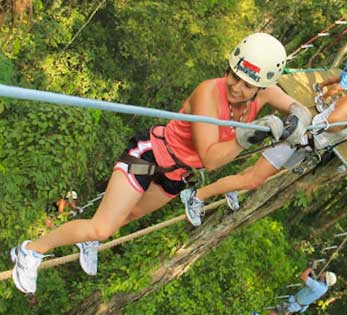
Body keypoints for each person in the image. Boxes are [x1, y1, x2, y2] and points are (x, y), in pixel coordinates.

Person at [10, 33, 312, 294]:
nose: (236, 87)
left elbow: (292, 104)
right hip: (150, 156)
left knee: (129, 216)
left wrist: (299, 115)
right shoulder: (209, 92)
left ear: (261, 87)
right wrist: (246, 137)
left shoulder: (264, 93)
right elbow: (210, 157)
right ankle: (30, 250)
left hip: (176, 174)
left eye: (247, 85)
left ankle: (85, 242)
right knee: (102, 228)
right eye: (234, 75)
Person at [180, 70, 347, 220]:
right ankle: (196, 195)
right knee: (254, 180)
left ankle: (232, 190)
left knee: (256, 175)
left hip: (306, 148)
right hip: (297, 138)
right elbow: (332, 124)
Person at [268, 268, 337, 314]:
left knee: (276, 311)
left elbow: (303, 276)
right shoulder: (324, 288)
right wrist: (312, 275)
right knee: (285, 312)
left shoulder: (317, 286)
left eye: (325, 274)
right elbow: (314, 283)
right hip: (298, 305)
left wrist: (309, 269)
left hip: (295, 303)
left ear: (325, 278)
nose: (323, 273)